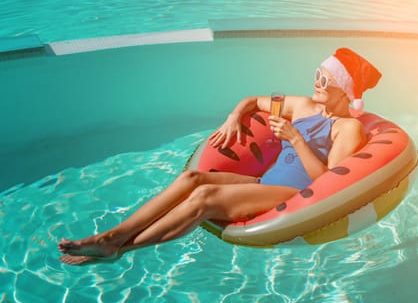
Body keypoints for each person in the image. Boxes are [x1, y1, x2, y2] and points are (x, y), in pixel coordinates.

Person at [58, 47, 382, 265]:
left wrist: (296, 140)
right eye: (317, 73)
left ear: (344, 87)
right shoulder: (301, 105)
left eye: (325, 79)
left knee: (205, 196)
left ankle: (117, 245)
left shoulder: (347, 129)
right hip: (263, 181)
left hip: (293, 193)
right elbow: (253, 100)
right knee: (193, 178)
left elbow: (330, 183)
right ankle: (115, 234)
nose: (317, 81)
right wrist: (233, 117)